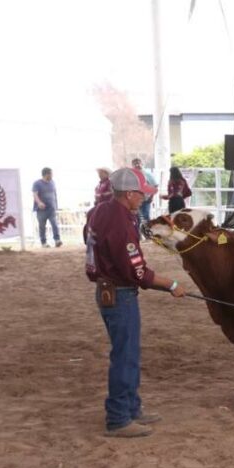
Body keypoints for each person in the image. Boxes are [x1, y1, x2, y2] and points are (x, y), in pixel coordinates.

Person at [84, 167, 187, 437]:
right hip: (121, 293)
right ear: (128, 194)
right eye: (141, 194)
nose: (144, 198)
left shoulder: (100, 211)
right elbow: (137, 272)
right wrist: (171, 284)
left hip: (110, 289)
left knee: (127, 352)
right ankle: (118, 418)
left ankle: (131, 407)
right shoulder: (121, 223)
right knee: (125, 355)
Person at [32, 167, 62, 248]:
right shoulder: (37, 183)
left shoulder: (52, 182)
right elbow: (35, 194)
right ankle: (44, 243)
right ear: (46, 174)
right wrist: (39, 203)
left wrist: (56, 206)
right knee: (42, 226)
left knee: (54, 224)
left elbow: (54, 195)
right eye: (51, 174)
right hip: (41, 210)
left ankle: (57, 240)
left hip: (51, 209)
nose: (52, 175)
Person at [131, 158, 158, 226]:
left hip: (146, 200)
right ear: (132, 165)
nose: (137, 165)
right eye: (135, 164)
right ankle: (138, 234)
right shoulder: (131, 175)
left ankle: (147, 234)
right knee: (136, 217)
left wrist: (151, 197)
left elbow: (155, 186)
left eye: (139, 163)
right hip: (135, 200)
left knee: (145, 216)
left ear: (142, 164)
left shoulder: (147, 174)